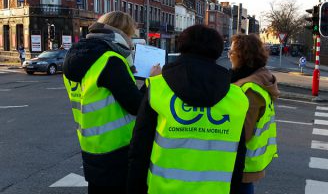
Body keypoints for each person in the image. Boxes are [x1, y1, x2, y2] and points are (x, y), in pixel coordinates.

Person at [128, 24, 249, 194]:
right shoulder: (237, 97)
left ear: (182, 46)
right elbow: (239, 157)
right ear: (217, 50)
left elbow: (139, 149)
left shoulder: (158, 88)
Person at [62, 11, 160, 194]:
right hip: (118, 150)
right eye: (130, 35)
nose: (131, 41)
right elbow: (136, 105)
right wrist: (151, 81)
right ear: (123, 33)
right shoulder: (111, 60)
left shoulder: (76, 57)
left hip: (91, 146)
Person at [228, 33, 280, 194]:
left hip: (241, 165)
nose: (229, 56)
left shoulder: (249, 89)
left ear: (243, 56)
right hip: (244, 164)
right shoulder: (259, 79)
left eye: (232, 52)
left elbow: (243, 132)